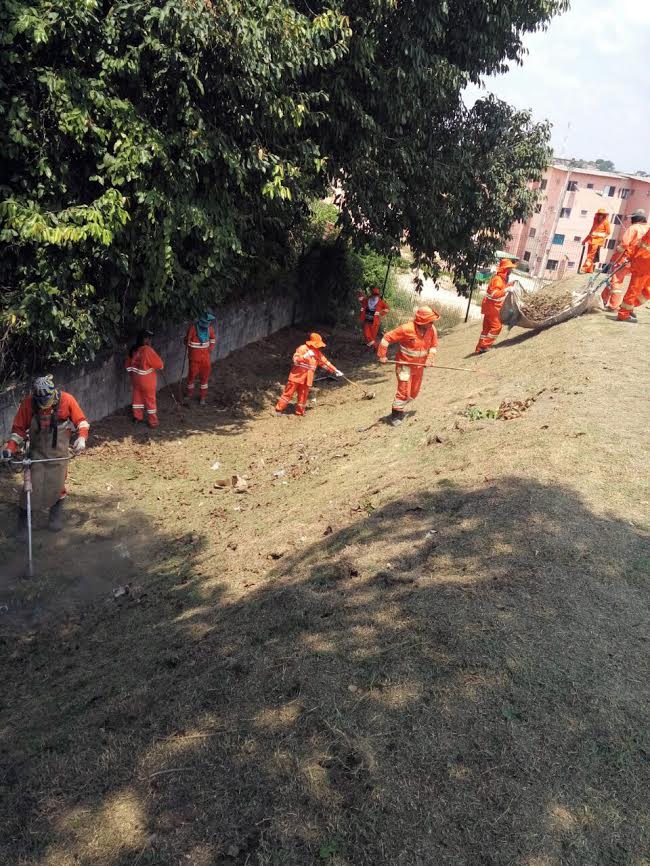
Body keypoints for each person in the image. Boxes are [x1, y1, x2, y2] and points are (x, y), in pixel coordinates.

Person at [1, 375, 90, 533]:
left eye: (46, 403)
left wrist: (82, 438)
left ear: (53, 394)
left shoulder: (67, 400)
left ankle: (54, 518)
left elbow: (81, 421)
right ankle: (23, 526)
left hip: (59, 453)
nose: (44, 408)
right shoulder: (28, 404)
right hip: (37, 453)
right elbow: (19, 430)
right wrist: (10, 448)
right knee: (30, 487)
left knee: (58, 485)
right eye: (41, 404)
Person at [377, 305, 439, 427]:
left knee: (413, 393)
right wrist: (382, 355)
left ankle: (400, 408)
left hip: (419, 367)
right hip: (404, 365)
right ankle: (396, 415)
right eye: (430, 321)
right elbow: (386, 338)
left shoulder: (432, 330)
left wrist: (430, 359)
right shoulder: (406, 329)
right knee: (404, 391)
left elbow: (433, 346)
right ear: (422, 321)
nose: (432, 323)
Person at [275, 333, 343, 416]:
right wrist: (305, 356)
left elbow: (325, 363)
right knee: (288, 393)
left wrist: (335, 370)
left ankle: (300, 412)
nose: (318, 346)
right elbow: (295, 360)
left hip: (307, 379)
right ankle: (279, 409)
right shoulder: (302, 348)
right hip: (296, 377)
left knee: (303, 396)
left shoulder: (318, 353)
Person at [601, 209, 647, 311]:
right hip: (641, 263)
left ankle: (614, 305)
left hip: (627, 259)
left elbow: (624, 245)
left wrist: (615, 256)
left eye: (632, 218)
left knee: (616, 280)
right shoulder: (648, 229)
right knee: (617, 280)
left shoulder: (633, 228)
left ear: (636, 218)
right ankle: (603, 299)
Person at [475, 258, 516, 354]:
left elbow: (501, 288)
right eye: (510, 268)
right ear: (505, 269)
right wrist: (506, 290)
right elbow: (494, 294)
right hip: (492, 307)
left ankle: (479, 348)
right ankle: (484, 346)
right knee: (496, 327)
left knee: (486, 329)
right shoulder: (498, 280)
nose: (511, 270)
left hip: (489, 307)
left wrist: (509, 285)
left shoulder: (500, 279)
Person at [124, 329, 164, 427]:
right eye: (150, 339)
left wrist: (133, 373)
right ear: (145, 339)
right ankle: (153, 421)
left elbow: (127, 366)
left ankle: (137, 417)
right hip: (147, 381)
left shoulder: (133, 349)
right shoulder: (147, 350)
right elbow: (159, 364)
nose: (151, 341)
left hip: (136, 379)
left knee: (137, 398)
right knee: (150, 400)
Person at [617, 225, 650, 322]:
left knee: (647, 291)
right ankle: (623, 314)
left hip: (645, 264)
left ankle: (629, 307)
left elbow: (639, 244)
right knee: (634, 289)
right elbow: (639, 245)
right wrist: (630, 256)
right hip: (643, 264)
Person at [185, 313, 216, 405]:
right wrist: (186, 341)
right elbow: (187, 341)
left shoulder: (210, 329)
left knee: (204, 379)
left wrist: (210, 349)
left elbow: (213, 339)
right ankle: (189, 394)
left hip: (205, 359)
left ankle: (202, 397)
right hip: (194, 359)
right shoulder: (193, 329)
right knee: (191, 377)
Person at [580, 208, 610, 274]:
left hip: (598, 241)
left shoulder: (606, 222)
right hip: (591, 241)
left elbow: (608, 233)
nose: (600, 216)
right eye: (599, 214)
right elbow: (591, 231)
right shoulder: (595, 220)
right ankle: (589, 270)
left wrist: (598, 235)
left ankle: (584, 267)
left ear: (604, 215)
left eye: (602, 215)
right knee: (590, 255)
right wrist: (585, 240)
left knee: (590, 255)